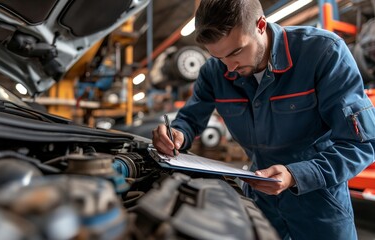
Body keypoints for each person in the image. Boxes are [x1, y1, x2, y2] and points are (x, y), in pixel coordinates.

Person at [151, 0, 375, 239]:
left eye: (236, 51)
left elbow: (361, 144)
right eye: (219, 57)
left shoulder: (323, 53)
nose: (230, 67)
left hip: (320, 203)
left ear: (260, 25)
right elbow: (189, 119)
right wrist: (177, 133)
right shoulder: (214, 72)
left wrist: (296, 175)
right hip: (260, 200)